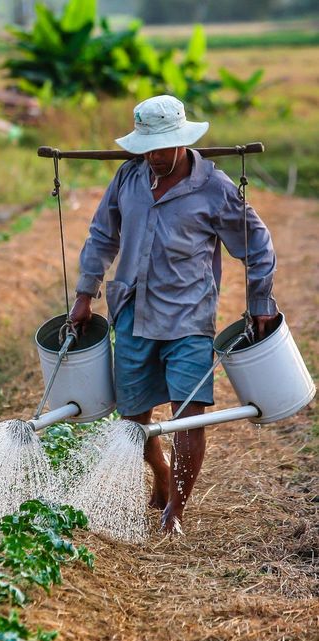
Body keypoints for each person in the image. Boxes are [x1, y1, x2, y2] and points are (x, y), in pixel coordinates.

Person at [69, 95, 278, 534]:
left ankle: (174, 513)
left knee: (189, 414)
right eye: (147, 147)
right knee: (134, 419)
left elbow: (257, 246)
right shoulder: (128, 178)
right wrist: (84, 294)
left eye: (162, 148)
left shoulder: (214, 188)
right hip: (132, 312)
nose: (154, 156)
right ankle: (162, 474)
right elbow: (102, 236)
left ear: (182, 142)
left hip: (189, 318)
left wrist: (260, 303)